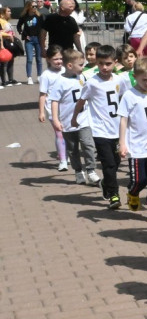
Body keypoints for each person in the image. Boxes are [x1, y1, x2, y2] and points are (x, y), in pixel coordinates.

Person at [72, 45, 127, 208]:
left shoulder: (120, 80)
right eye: (101, 63)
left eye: (108, 64)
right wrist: (75, 118)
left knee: (116, 163)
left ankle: (105, 184)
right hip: (100, 131)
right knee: (108, 164)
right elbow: (81, 101)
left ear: (115, 63)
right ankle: (114, 195)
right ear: (96, 62)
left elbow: (125, 99)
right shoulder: (92, 83)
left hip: (117, 130)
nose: (104, 67)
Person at [117, 58, 147, 224]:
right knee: (139, 179)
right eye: (144, 79)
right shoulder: (129, 96)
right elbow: (123, 119)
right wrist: (122, 143)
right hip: (136, 146)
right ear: (135, 76)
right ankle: (133, 192)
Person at [48, 49, 97, 186]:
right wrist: (56, 120)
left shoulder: (82, 77)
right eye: (80, 65)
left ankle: (91, 170)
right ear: (70, 66)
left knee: (88, 144)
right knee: (73, 148)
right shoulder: (60, 82)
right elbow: (54, 101)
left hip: (84, 119)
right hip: (68, 121)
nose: (83, 67)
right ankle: (78, 171)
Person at [38, 47, 68, 171]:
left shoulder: (67, 70)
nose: (59, 61)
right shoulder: (46, 75)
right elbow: (42, 94)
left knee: (68, 134)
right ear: (48, 59)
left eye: (61, 58)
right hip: (52, 109)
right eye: (55, 59)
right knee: (59, 134)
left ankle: (66, 154)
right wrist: (41, 112)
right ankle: (62, 160)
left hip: (67, 107)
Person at [17, 0, 42, 85]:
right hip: (29, 40)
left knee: (39, 59)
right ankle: (29, 77)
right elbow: (18, 26)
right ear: (28, 7)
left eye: (36, 6)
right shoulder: (24, 16)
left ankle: (39, 76)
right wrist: (23, 34)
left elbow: (43, 27)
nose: (35, 8)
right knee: (30, 59)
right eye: (33, 6)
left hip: (38, 39)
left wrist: (43, 38)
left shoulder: (39, 16)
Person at [0, 5, 19, 86]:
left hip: (9, 42)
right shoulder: (0, 21)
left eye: (10, 11)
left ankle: (10, 79)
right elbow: (0, 32)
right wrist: (8, 35)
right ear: (2, 14)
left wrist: (12, 34)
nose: (10, 12)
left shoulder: (6, 21)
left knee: (11, 60)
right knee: (4, 61)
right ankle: (4, 81)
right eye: (8, 11)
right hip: (4, 42)